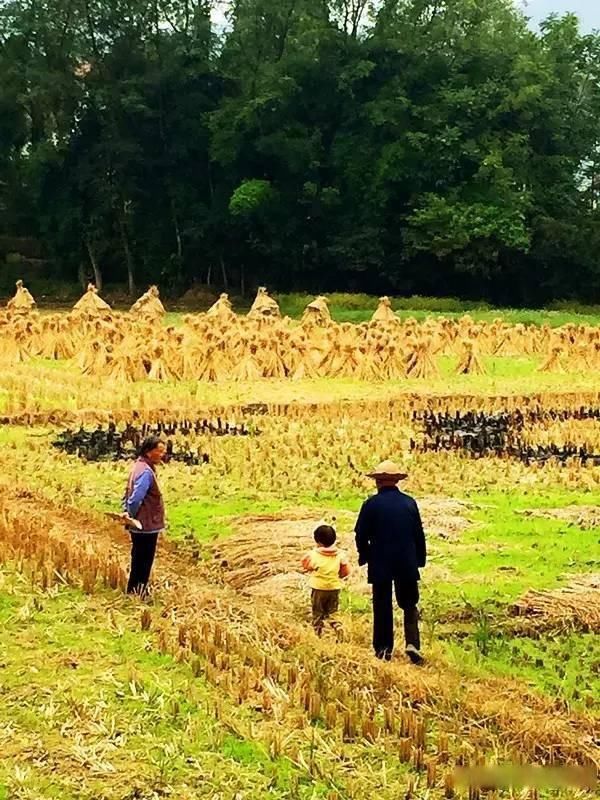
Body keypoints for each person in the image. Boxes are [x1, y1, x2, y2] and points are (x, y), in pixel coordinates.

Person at [354, 460, 426, 664]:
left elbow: (360, 534)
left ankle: (383, 650)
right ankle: (412, 643)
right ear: (397, 481)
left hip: (380, 562)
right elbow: (418, 534)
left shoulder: (370, 504)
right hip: (406, 561)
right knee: (409, 602)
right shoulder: (409, 503)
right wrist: (419, 559)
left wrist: (365, 555)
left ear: (377, 482)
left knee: (382, 605)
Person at [122, 435, 167, 598]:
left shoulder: (138, 467)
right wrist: (132, 517)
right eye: (159, 451)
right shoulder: (146, 472)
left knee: (138, 557)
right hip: (145, 525)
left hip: (141, 524)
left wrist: (125, 512)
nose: (162, 454)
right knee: (144, 559)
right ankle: (139, 590)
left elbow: (126, 494)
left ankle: (134, 589)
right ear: (149, 452)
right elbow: (135, 498)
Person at [301, 524, 350, 639]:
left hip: (318, 589)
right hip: (334, 588)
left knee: (318, 612)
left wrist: (311, 568)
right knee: (332, 612)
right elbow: (346, 571)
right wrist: (338, 576)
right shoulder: (340, 555)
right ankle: (337, 626)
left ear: (318, 542)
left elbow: (305, 564)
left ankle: (318, 634)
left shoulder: (314, 555)